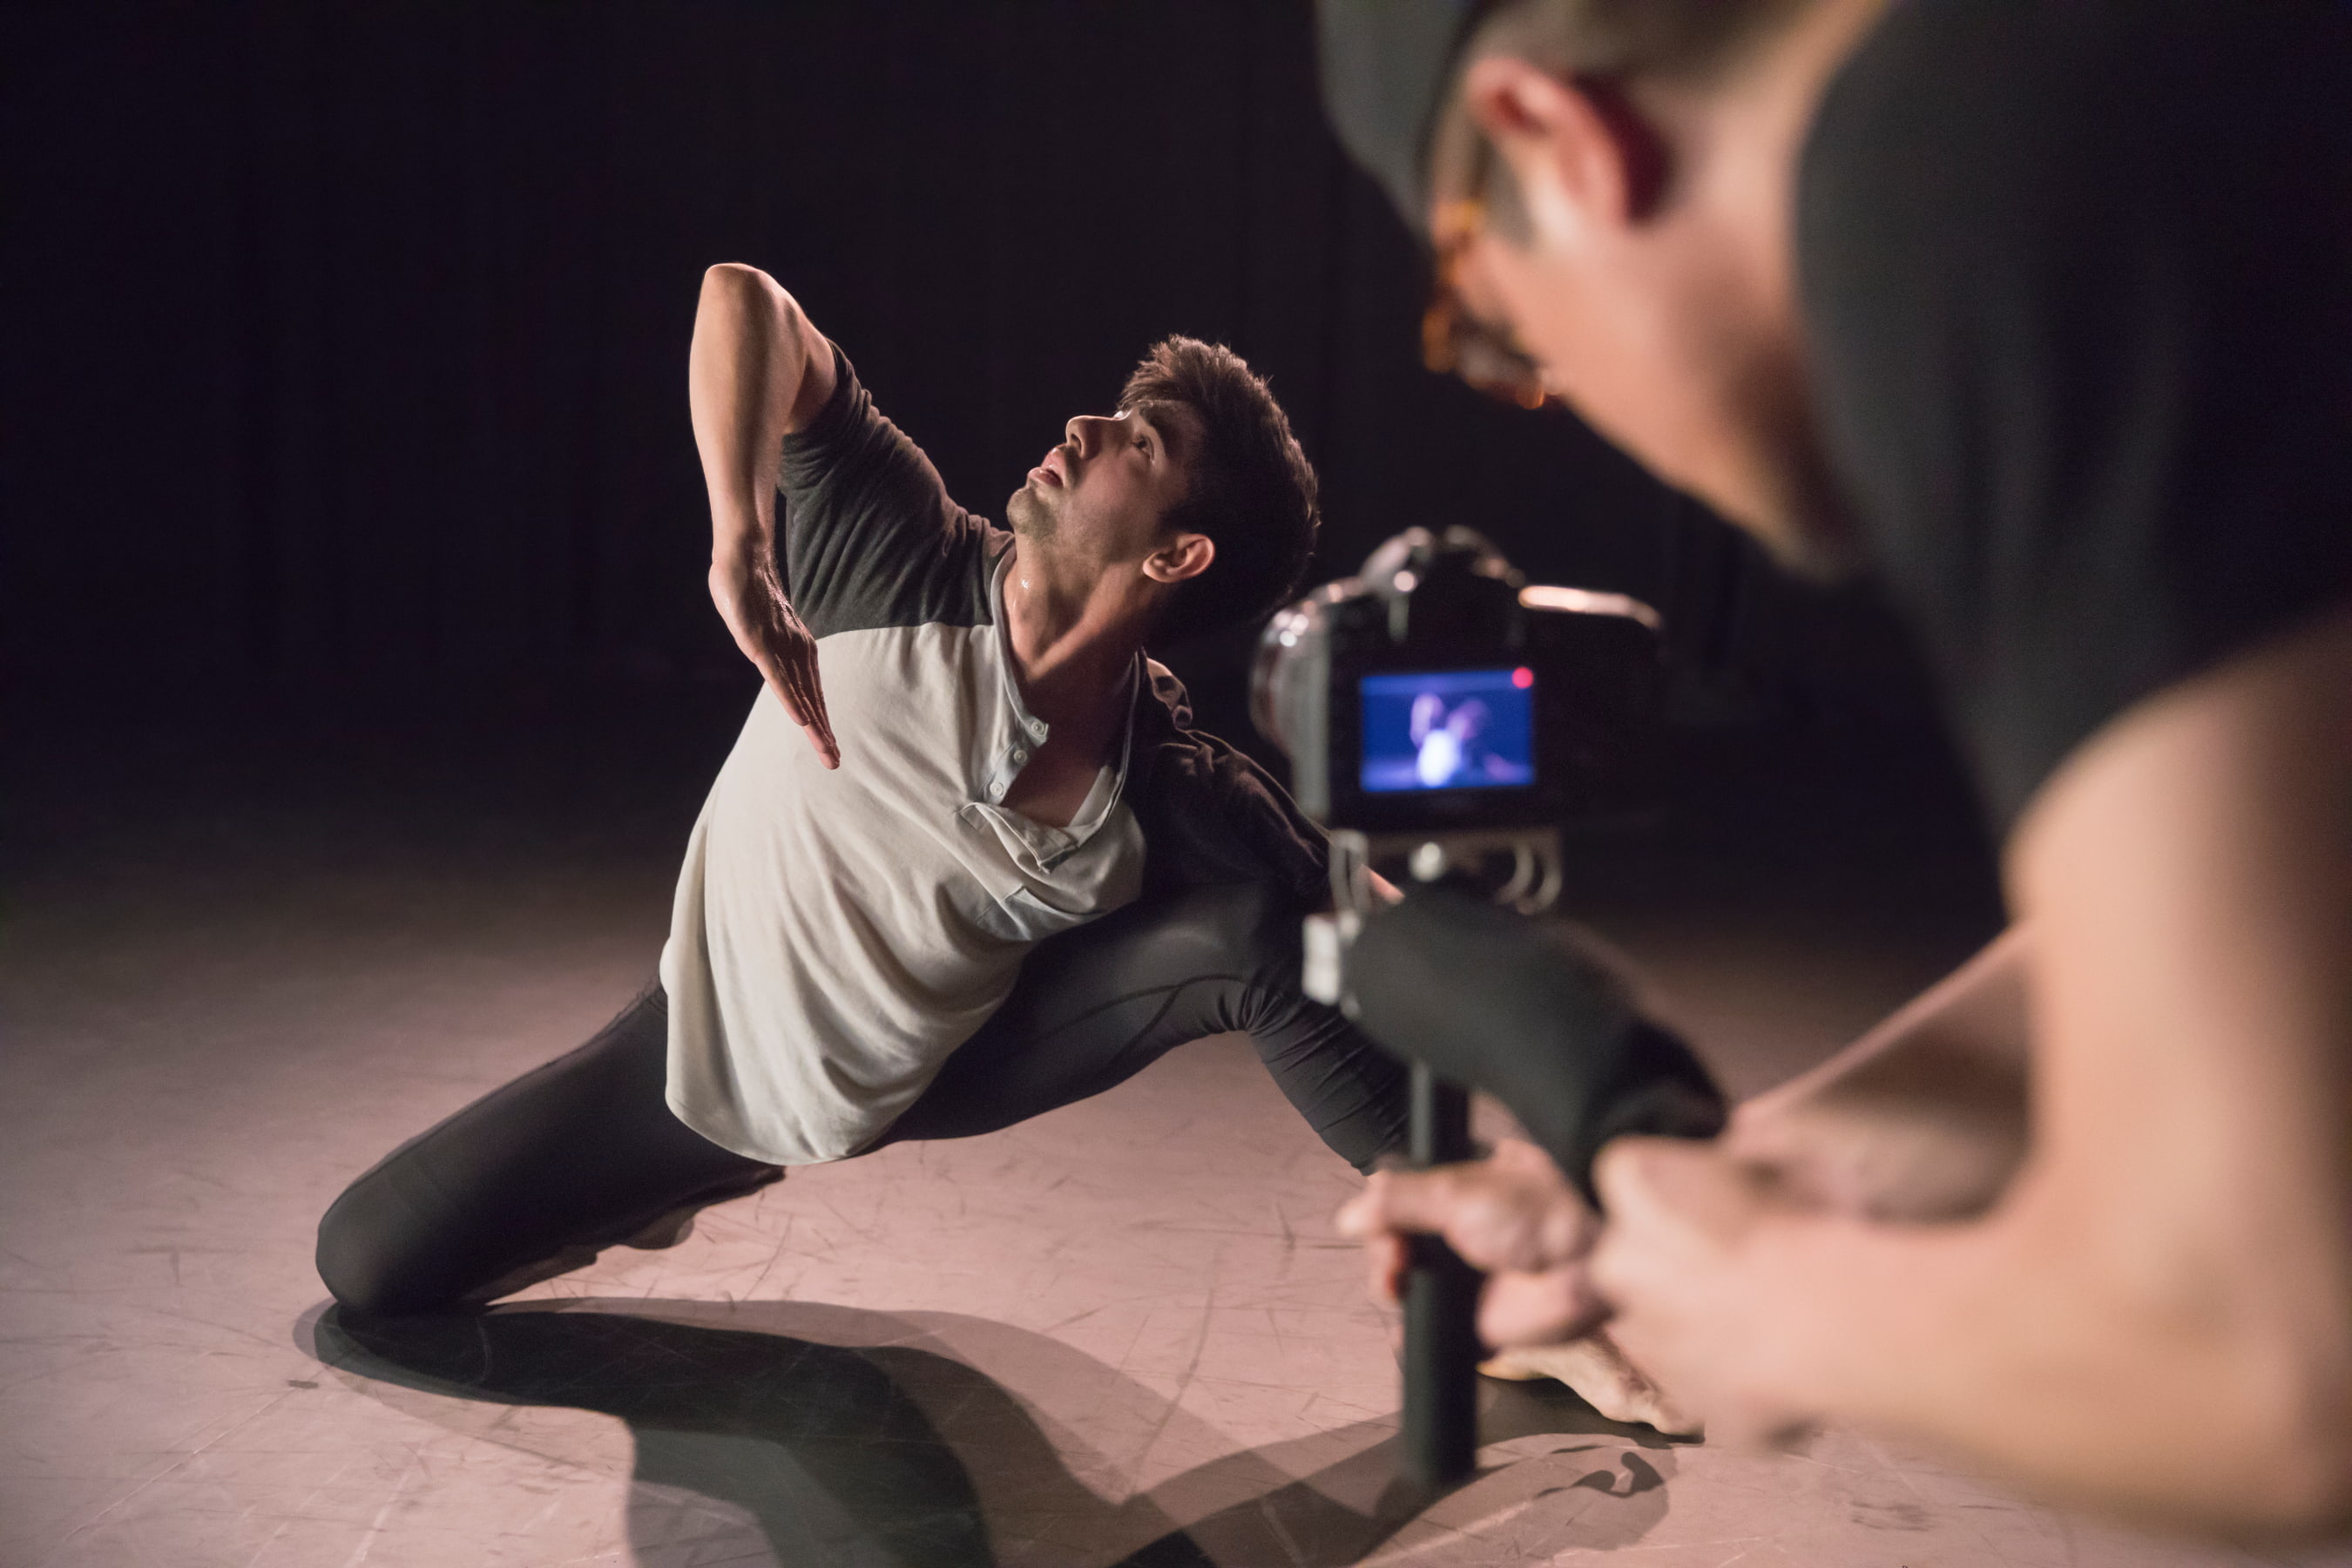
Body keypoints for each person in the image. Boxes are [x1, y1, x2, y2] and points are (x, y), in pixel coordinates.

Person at [1316, 0, 2352, 1537]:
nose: (1569, 403)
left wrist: (1768, 1302)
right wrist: (1734, 1181)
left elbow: (2279, 1367)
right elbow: (2262, 937)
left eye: (1504, 337)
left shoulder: (1951, 167)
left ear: (1557, 134)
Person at [314, 265, 1408, 1317]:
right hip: (699, 1052)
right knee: (365, 1263)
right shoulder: (898, 553)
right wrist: (741, 549)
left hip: (931, 1074)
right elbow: (743, 300)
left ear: (1179, 556)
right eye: (1114, 414)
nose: (1086, 428)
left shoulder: (1167, 785)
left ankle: (1488, 1283)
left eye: (1141, 443)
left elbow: (1370, 924)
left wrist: (1547, 1118)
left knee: (1269, 933)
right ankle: (683, 1172)